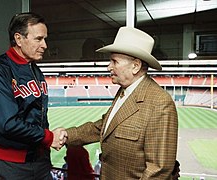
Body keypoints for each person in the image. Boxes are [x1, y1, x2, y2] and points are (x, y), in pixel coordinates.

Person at [56, 26, 178, 179]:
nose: (109, 67)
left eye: (114, 61)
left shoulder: (160, 103)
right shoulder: (124, 91)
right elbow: (103, 127)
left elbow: (158, 170)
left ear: (135, 66)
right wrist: (67, 134)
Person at [0, 12, 63, 180]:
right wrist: (48, 137)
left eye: (45, 39)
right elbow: (8, 124)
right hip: (9, 163)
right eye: (38, 39)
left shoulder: (34, 69)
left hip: (38, 160)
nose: (45, 45)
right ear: (18, 39)